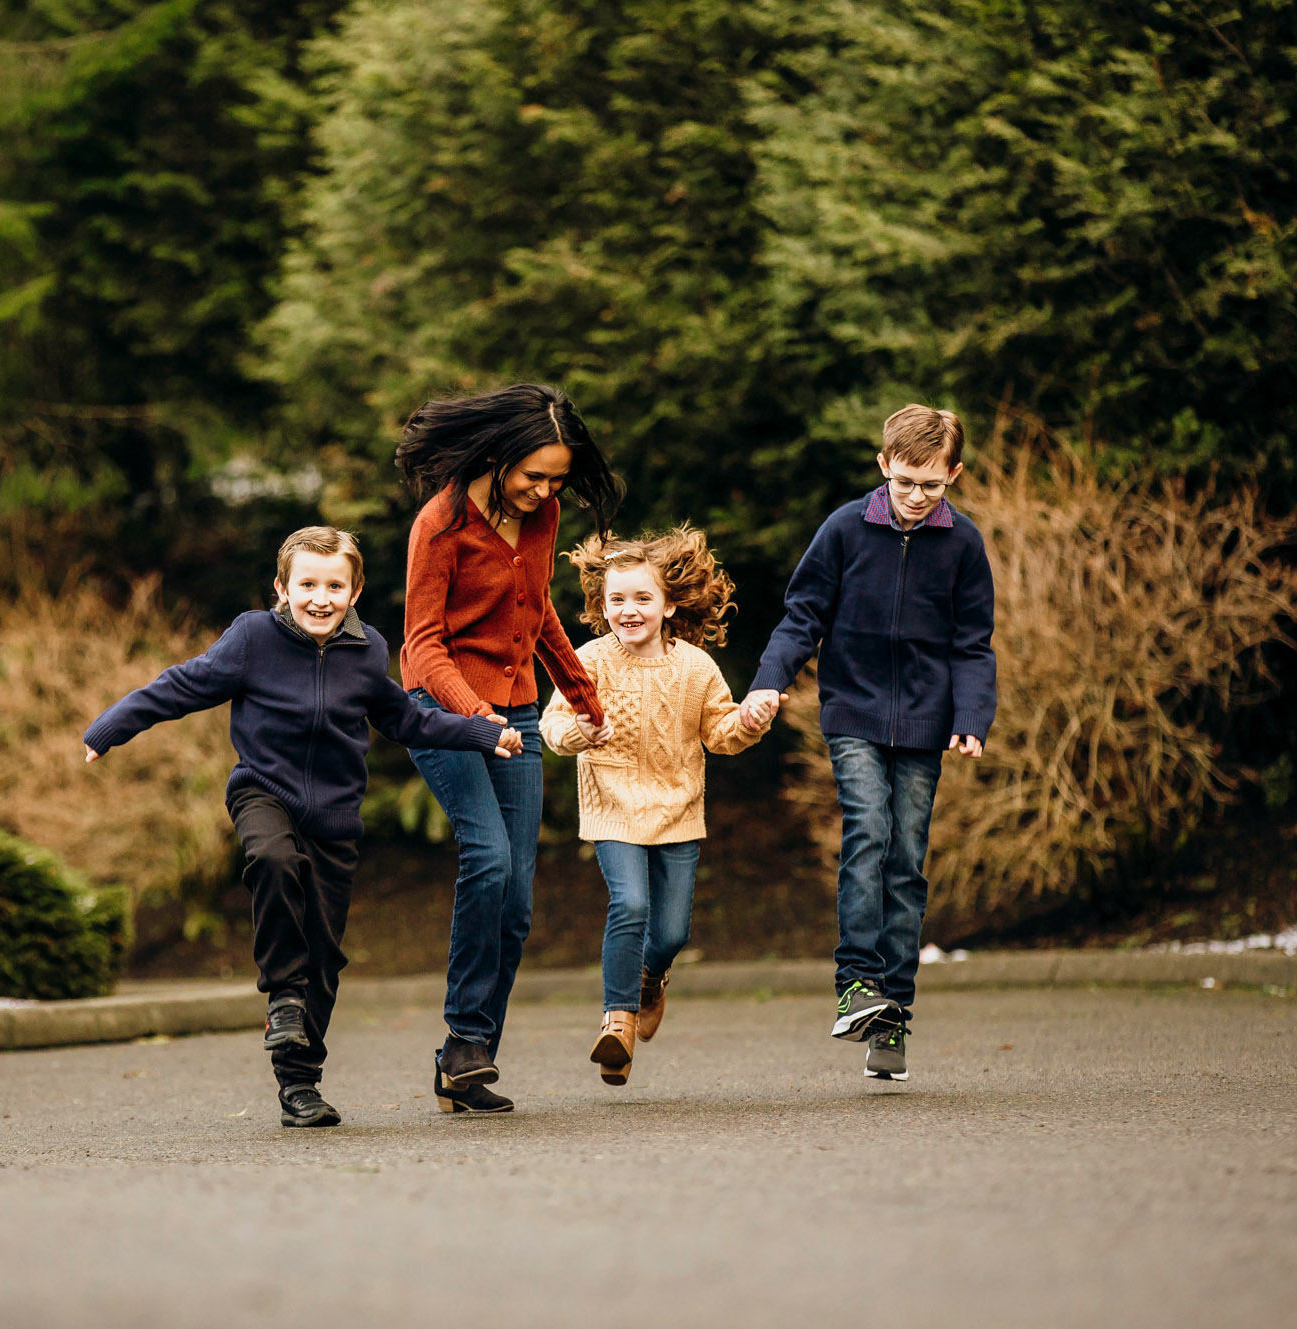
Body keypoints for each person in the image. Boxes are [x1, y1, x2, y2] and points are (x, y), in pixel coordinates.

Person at [81, 527, 522, 1128]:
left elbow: (404, 719)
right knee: (272, 859)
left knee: (326, 957)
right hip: (264, 791)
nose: (320, 597)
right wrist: (110, 728)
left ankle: (300, 1086)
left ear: (355, 589)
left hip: (335, 818)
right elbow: (182, 685)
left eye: (334, 585)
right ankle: (281, 995)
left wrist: (480, 731)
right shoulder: (253, 639)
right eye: (306, 584)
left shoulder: (366, 650)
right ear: (281, 588)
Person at [739, 405, 996, 1083]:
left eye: (932, 486)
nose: (916, 497)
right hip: (851, 709)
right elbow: (803, 616)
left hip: (924, 721)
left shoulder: (963, 545)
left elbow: (973, 643)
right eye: (906, 480)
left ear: (954, 476)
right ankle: (856, 984)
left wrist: (971, 713)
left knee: (907, 857)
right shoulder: (845, 530)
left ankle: (893, 1016)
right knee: (869, 831)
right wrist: (769, 681)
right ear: (884, 465)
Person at [397, 383, 623, 1113]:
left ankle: (467, 1064)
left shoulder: (544, 515)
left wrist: (581, 690)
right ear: (498, 456)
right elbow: (422, 645)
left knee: (518, 900)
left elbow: (536, 605)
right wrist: (474, 715)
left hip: (519, 709)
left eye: (556, 478)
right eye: (534, 475)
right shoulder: (441, 523)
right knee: (488, 858)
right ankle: (464, 1037)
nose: (545, 489)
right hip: (443, 709)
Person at [543, 525, 768, 1085]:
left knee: (670, 933)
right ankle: (616, 1022)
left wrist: (748, 722)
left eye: (643, 598)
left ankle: (650, 979)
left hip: (678, 811)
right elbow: (551, 724)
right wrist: (579, 733)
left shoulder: (696, 667)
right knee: (631, 904)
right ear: (601, 605)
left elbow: (719, 731)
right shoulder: (587, 659)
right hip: (613, 807)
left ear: (669, 605)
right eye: (616, 599)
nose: (629, 609)